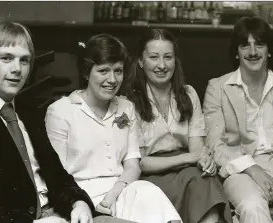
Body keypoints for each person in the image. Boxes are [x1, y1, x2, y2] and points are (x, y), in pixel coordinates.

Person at [0, 20, 134, 223]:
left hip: (59, 214)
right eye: (6, 58)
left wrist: (78, 202)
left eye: (24, 61)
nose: (17, 69)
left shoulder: (27, 110)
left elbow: (57, 174)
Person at [45, 33, 182, 223]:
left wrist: (112, 196)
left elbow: (132, 165)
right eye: (103, 71)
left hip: (120, 189)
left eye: (118, 71)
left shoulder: (126, 107)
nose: (112, 79)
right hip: (79, 197)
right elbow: (56, 175)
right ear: (86, 73)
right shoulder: (61, 111)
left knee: (148, 191)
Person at [122, 28, 232, 223]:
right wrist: (190, 158)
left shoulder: (188, 94)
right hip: (152, 176)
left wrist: (204, 161)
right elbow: (141, 163)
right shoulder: (129, 102)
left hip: (188, 171)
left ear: (175, 60)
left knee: (204, 179)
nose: (162, 65)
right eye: (154, 57)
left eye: (168, 57)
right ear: (141, 61)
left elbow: (197, 148)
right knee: (198, 182)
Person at [203, 16, 273, 223]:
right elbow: (215, 144)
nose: (252, 52)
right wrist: (253, 169)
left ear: (269, 50)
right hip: (242, 171)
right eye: (245, 46)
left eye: (259, 45)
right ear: (236, 52)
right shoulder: (217, 88)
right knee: (252, 206)